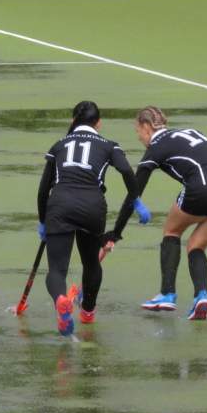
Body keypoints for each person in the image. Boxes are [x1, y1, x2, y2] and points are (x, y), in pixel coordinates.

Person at [106, 106, 207, 322]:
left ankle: (167, 294)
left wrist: (115, 233)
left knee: (172, 229)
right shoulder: (189, 132)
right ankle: (201, 296)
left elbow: (134, 193)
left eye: (138, 131)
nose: (139, 137)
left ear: (146, 126)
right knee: (196, 245)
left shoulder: (156, 146)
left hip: (203, 187)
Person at [37, 101, 145, 336]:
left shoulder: (58, 145)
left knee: (56, 270)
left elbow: (43, 189)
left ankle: (61, 300)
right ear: (99, 123)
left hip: (60, 205)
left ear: (72, 121)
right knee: (91, 262)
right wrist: (135, 198)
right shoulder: (108, 145)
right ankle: (87, 313)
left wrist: (43, 220)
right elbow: (127, 171)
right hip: (92, 208)